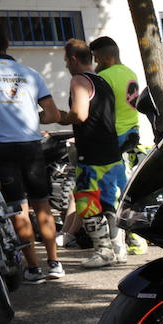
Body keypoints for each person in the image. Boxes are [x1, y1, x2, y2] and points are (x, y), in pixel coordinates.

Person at [0, 19, 65, 283]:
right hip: (32, 145)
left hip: (0, 146)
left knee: (18, 207)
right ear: (7, 42)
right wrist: (29, 118)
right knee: (43, 205)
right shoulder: (30, 73)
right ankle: (55, 263)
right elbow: (51, 113)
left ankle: (33, 268)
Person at [56, 39, 126, 268]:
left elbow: (80, 114)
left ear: (74, 59)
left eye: (66, 60)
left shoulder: (79, 80)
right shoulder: (102, 81)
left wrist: (60, 116)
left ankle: (103, 251)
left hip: (92, 154)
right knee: (108, 203)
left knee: (86, 202)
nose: (65, 65)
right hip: (111, 152)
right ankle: (118, 248)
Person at [89, 35, 147, 256]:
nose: (95, 62)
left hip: (114, 135)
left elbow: (102, 109)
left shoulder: (103, 76)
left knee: (110, 190)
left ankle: (119, 240)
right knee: (125, 187)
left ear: (105, 56)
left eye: (97, 57)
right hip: (132, 132)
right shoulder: (130, 73)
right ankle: (136, 239)